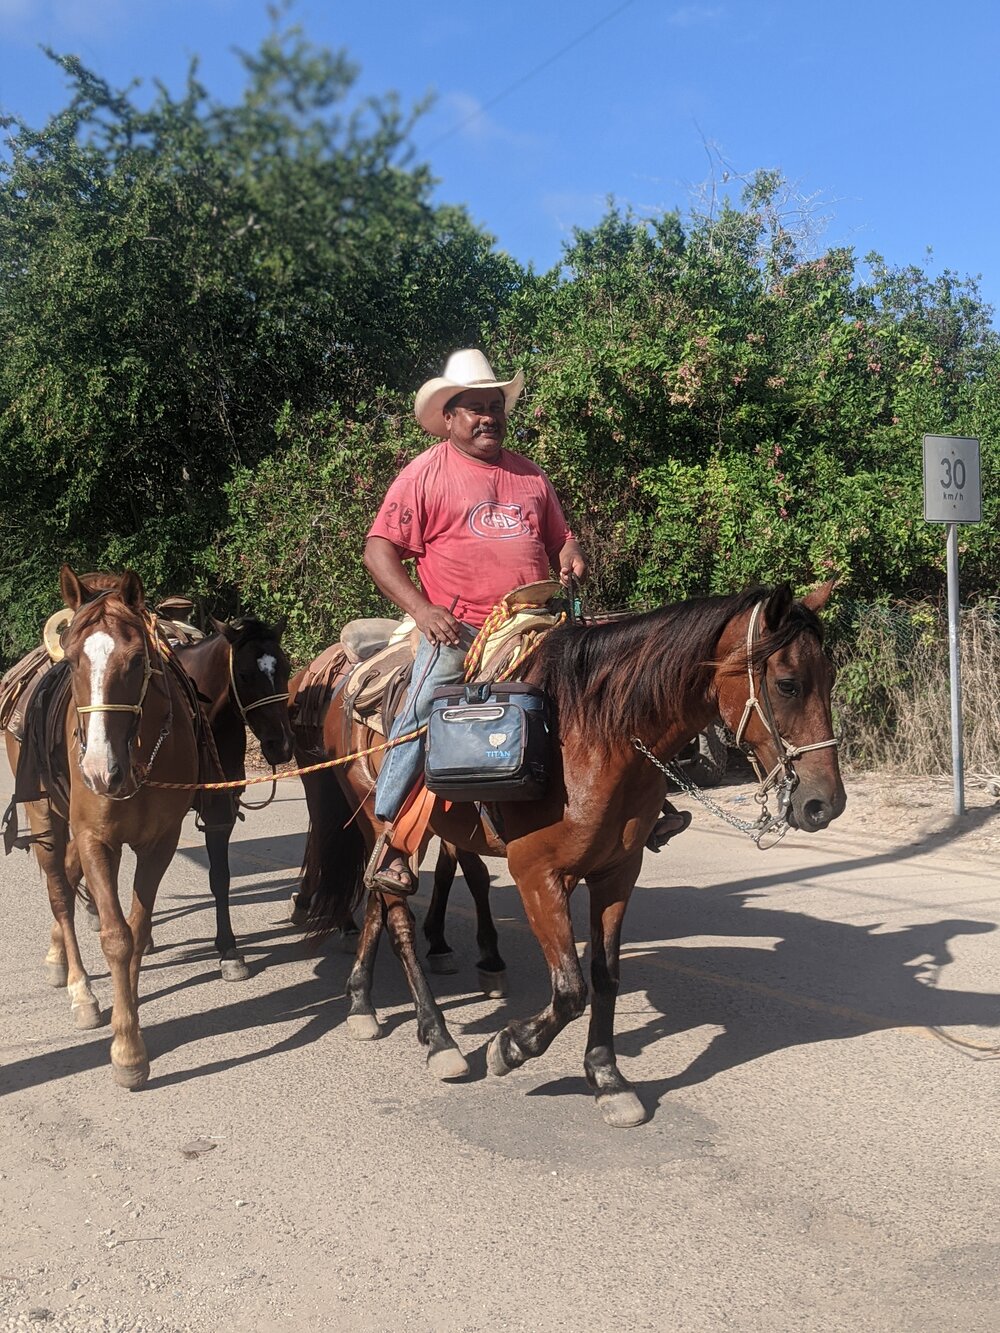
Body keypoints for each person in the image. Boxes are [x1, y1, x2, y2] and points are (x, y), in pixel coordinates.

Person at [363, 348, 683, 894]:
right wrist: (421, 609)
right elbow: (378, 551)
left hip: (539, 621)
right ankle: (392, 839)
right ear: (449, 417)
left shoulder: (530, 475)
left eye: (495, 405)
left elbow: (561, 537)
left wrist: (571, 552)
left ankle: (649, 803)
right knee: (419, 714)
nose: (488, 416)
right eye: (474, 408)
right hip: (462, 628)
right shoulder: (423, 475)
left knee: (613, 689)